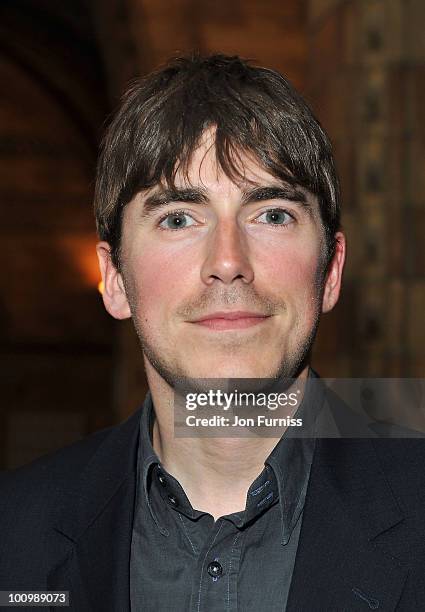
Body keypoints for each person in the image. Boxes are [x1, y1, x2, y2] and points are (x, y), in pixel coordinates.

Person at [0, 54, 423, 612]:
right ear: (115, 279)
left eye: (271, 214)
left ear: (331, 271)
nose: (228, 261)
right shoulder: (14, 536)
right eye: (178, 218)